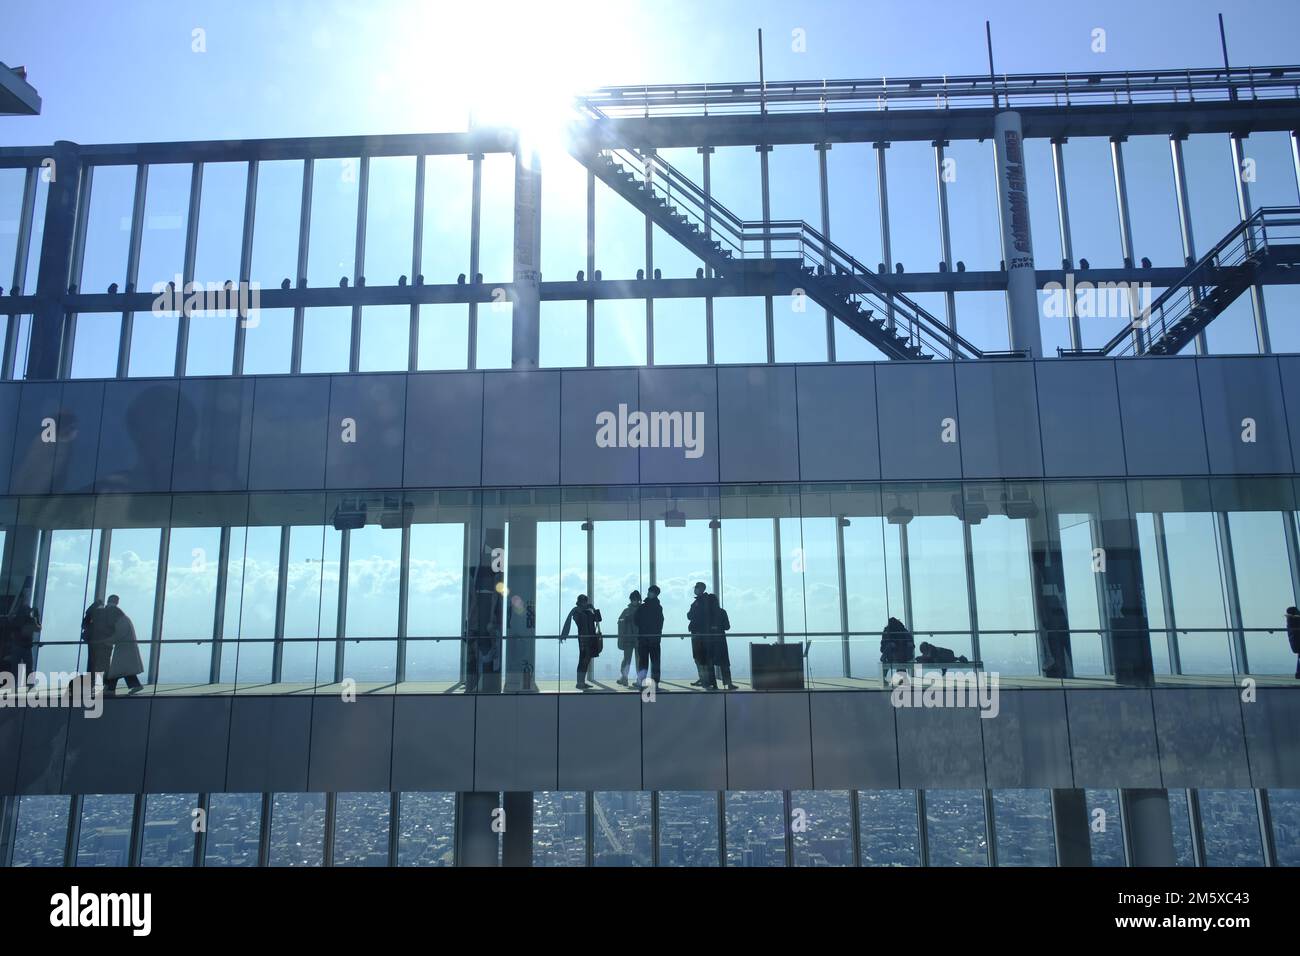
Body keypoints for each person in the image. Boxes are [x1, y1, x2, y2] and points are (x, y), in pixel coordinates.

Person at [688, 582, 735, 690]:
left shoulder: (704, 611)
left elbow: (691, 616)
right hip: (721, 640)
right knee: (724, 663)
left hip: (709, 640)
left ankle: (713, 684)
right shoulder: (722, 612)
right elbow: (727, 627)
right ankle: (728, 683)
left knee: (709, 662)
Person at [102, 594, 144, 695]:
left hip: (123, 647)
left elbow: (119, 634)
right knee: (123, 669)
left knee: (117, 669)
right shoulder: (122, 617)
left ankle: (110, 689)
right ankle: (135, 685)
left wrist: (107, 640)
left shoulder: (118, 617)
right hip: (125, 647)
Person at [560, 594, 602, 690]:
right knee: (583, 660)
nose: (585, 603)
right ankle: (580, 683)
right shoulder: (577, 611)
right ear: (580, 601)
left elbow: (598, 619)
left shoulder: (588, 611)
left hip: (591, 638)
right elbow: (579, 622)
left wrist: (594, 609)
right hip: (583, 639)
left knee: (586, 660)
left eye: (585, 601)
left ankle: (582, 682)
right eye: (583, 601)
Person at [635, 584, 665, 690]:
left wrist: (643, 628)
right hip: (654, 639)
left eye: (650, 591)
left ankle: (642, 682)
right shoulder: (658, 607)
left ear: (654, 593)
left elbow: (636, 620)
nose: (648, 593)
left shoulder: (643, 607)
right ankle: (655, 683)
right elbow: (660, 622)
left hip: (644, 638)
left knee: (643, 662)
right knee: (655, 661)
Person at [616, 590, 641, 686]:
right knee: (632, 659)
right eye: (633, 599)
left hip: (631, 638)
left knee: (629, 659)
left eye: (635, 599)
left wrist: (626, 619)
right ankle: (627, 678)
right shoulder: (640, 610)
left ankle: (625, 678)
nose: (634, 601)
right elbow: (620, 621)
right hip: (635, 639)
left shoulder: (627, 611)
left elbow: (620, 622)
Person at [1287, 607, 1300, 679]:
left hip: (1295, 642)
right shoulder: (1295, 619)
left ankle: (1298, 673)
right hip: (1297, 642)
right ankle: (1298, 673)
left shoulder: (1290, 620)